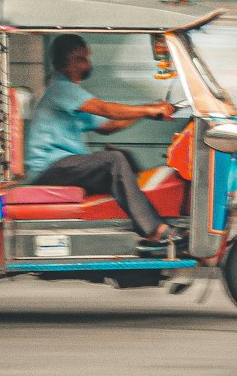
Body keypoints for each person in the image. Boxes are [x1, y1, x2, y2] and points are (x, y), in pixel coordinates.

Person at [24, 33, 179, 247]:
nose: (89, 63)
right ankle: (154, 229)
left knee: (122, 156)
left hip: (62, 167)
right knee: (113, 160)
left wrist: (147, 112)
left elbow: (107, 126)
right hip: (49, 170)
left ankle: (145, 216)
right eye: (84, 58)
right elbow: (105, 110)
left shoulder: (71, 94)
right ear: (72, 61)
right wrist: (149, 109)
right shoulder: (61, 89)